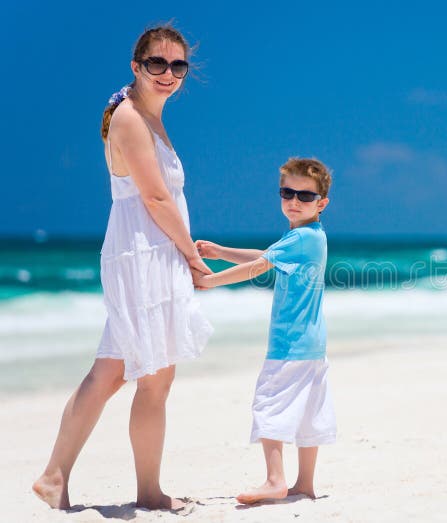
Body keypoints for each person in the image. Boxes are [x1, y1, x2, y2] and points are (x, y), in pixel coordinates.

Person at [32, 25, 213, 512]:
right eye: (157, 64)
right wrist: (192, 259)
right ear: (137, 66)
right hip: (143, 256)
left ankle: (54, 477)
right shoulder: (131, 118)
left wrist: (187, 246)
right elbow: (153, 196)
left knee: (112, 373)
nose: (168, 74)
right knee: (154, 377)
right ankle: (148, 492)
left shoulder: (146, 117)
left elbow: (160, 196)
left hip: (148, 251)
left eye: (177, 66)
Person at [193, 157, 336, 504]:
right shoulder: (309, 236)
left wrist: (210, 281)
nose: (294, 201)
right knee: (307, 412)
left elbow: (260, 266)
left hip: (289, 344)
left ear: (322, 203)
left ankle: (275, 480)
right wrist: (220, 252)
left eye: (304, 196)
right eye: (287, 193)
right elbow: (267, 255)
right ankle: (304, 484)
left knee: (268, 402)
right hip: (312, 344)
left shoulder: (301, 236)